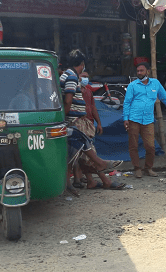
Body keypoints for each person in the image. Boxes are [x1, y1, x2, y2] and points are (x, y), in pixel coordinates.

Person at [60, 50, 122, 195]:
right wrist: (64, 118)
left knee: (74, 153)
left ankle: (70, 183)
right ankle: (100, 165)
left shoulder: (68, 75)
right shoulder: (71, 77)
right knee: (81, 148)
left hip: (76, 119)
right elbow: (68, 100)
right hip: (74, 120)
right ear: (82, 64)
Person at [123, 62, 166, 178]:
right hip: (134, 118)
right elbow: (127, 103)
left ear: (148, 71)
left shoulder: (155, 83)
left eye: (141, 71)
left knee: (150, 146)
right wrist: (125, 119)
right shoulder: (132, 85)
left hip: (148, 120)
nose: (139, 73)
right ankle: (137, 168)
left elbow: (164, 97)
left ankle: (148, 168)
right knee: (133, 145)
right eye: (138, 71)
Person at [71, 72, 126, 190]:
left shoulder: (88, 91)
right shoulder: (75, 92)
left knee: (84, 155)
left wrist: (99, 123)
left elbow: (93, 107)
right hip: (81, 123)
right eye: (82, 76)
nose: (84, 78)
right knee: (89, 154)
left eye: (86, 76)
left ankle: (89, 180)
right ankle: (104, 180)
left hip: (88, 124)